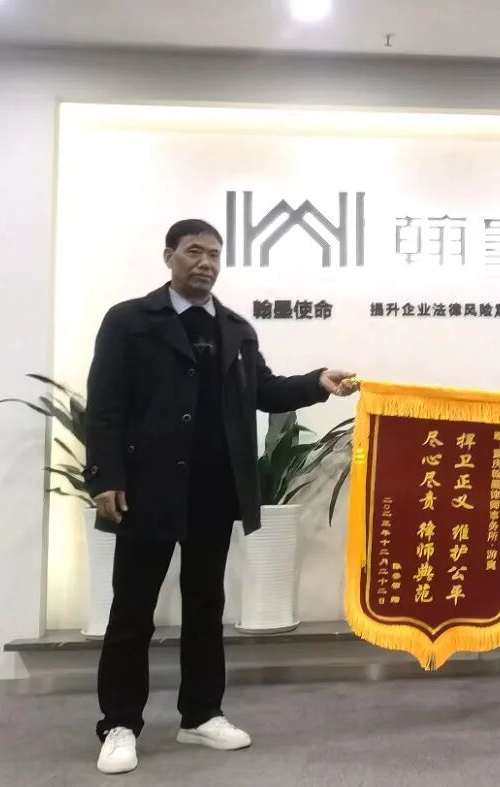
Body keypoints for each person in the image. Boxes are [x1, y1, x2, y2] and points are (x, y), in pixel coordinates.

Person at [84, 218, 358, 775]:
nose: (205, 263)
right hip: (146, 489)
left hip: (214, 490)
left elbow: (264, 390)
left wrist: (316, 382)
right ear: (169, 257)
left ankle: (200, 715)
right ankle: (119, 723)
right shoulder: (130, 321)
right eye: (193, 252)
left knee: (206, 607)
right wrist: (106, 476)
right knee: (131, 610)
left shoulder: (235, 328)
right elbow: (105, 403)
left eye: (213, 254)